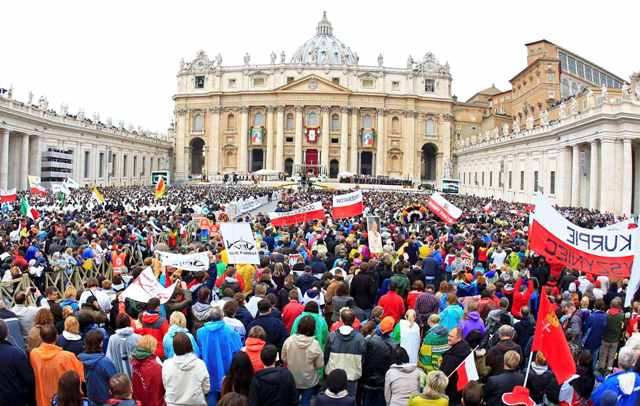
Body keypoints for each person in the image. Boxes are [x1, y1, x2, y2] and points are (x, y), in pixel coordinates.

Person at [197, 306, 242, 405]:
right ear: (222, 316)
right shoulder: (231, 331)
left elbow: (199, 352)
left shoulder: (201, 332)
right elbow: (239, 350)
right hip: (227, 372)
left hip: (209, 372)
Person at [281, 315, 324, 406]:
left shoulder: (289, 341)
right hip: (309, 380)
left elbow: (283, 358)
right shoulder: (315, 344)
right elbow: (320, 364)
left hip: (292, 378)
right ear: (313, 328)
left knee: (292, 401)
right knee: (306, 401)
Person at [324, 308, 365, 397]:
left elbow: (325, 356)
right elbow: (363, 359)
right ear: (354, 321)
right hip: (351, 377)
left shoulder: (332, 336)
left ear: (340, 320)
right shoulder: (360, 339)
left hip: (333, 375)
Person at [162, 333, 210, 406]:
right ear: (190, 345)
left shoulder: (167, 364)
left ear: (174, 347)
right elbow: (206, 388)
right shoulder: (200, 364)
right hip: (196, 403)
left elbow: (166, 385)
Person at [362, 316, 398, 406]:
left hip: (368, 379)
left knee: (368, 400)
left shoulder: (369, 340)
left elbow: (363, 359)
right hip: (383, 382)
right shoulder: (394, 345)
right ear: (391, 329)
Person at [0, 319, 34, 406]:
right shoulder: (16, 354)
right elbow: (29, 379)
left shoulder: (16, 353)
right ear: (7, 332)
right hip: (16, 399)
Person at [78, 329, 118, 404]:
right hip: (105, 400)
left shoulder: (78, 359)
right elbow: (116, 382)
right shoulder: (105, 362)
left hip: (88, 400)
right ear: (100, 344)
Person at [439, 327, 471, 405]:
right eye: (448, 335)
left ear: (459, 338)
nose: (448, 338)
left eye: (451, 336)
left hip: (451, 391)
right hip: (459, 390)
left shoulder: (452, 357)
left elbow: (445, 375)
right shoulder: (465, 347)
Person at [131, 335, 165, 406]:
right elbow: (160, 388)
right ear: (152, 348)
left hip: (139, 402)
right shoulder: (155, 366)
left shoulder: (135, 362)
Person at [598, 297, 624, 374]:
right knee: (611, 356)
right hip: (615, 339)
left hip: (605, 338)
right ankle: (609, 369)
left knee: (603, 355)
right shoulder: (621, 315)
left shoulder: (607, 314)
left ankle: (601, 368)